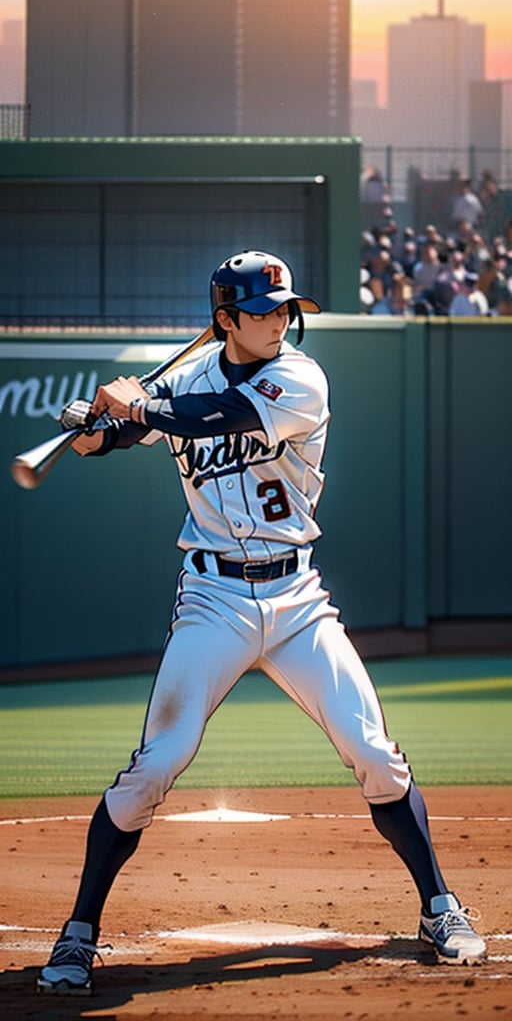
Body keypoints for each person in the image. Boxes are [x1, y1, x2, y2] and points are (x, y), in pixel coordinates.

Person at [37, 250, 486, 996]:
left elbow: (220, 417)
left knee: (374, 752)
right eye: (262, 310)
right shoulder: (185, 377)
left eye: (284, 307)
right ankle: (79, 930)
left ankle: (441, 905)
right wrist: (93, 427)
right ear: (225, 319)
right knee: (155, 765)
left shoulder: (300, 377)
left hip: (297, 599)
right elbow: (123, 437)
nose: (280, 319)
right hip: (212, 599)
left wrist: (136, 407)